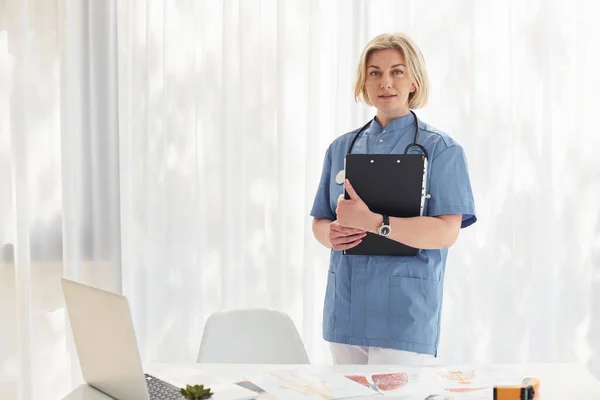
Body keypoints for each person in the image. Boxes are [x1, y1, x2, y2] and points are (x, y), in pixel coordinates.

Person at [310, 32, 477, 365]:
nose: (385, 81)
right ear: (365, 83)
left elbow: (446, 233)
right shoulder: (341, 148)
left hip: (405, 314)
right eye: (375, 73)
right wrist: (331, 234)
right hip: (347, 310)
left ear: (414, 81)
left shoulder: (442, 150)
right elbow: (320, 221)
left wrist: (374, 223)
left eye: (397, 71)